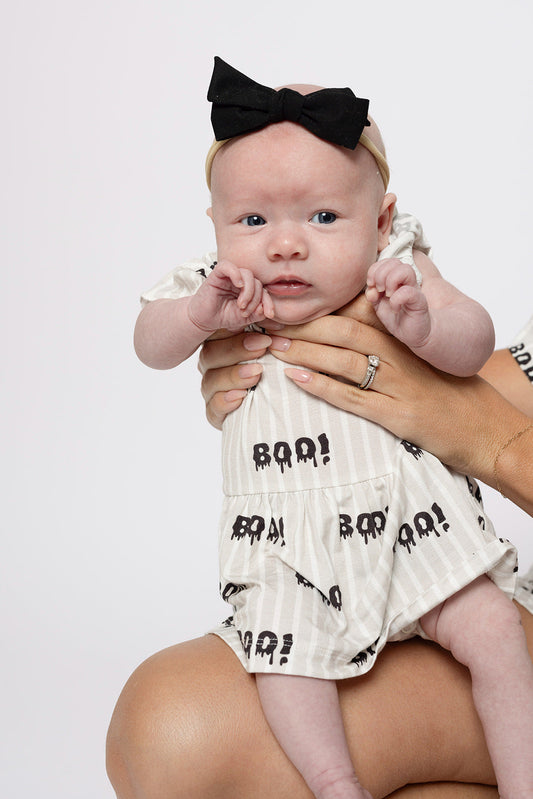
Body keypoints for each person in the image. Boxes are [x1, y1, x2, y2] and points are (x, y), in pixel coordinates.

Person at [127, 57, 533, 799]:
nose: (285, 244)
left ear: (380, 222)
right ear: (214, 224)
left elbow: (472, 341)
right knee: (283, 663)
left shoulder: (396, 268)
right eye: (253, 220)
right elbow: (149, 343)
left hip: (414, 522)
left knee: (495, 632)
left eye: (322, 217)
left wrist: (424, 326)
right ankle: (335, 784)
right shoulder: (214, 284)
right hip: (287, 540)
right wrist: (195, 319)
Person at [106, 320, 533, 799]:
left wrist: (501, 441)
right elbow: (498, 372)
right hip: (336, 539)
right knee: (172, 733)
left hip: (437, 554)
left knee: (181, 734)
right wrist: (317, 374)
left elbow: (479, 394)